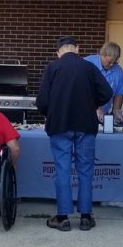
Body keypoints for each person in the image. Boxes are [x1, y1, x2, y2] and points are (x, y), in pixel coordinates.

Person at [35, 36, 113, 232]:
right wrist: (91, 103)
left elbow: (42, 101)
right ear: (77, 49)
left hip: (60, 126)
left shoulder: (52, 68)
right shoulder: (89, 67)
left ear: (58, 52)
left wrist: (51, 112)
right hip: (86, 126)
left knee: (62, 169)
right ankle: (86, 217)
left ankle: (62, 218)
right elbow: (107, 92)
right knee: (86, 170)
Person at [85, 42, 123, 122]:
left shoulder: (118, 71)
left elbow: (119, 93)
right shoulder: (87, 63)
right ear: (103, 55)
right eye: (109, 62)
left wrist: (116, 110)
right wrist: (97, 108)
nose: (111, 65)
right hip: (84, 112)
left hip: (103, 115)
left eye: (114, 62)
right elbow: (82, 89)